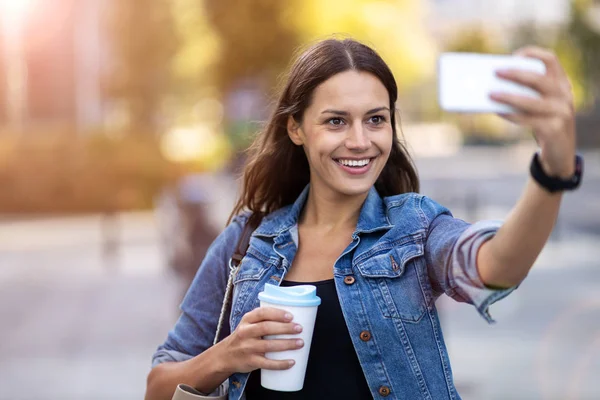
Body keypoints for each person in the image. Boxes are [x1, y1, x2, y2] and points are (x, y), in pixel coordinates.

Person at [145, 38, 582, 400]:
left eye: (376, 120)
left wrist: (552, 173)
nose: (359, 141)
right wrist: (226, 355)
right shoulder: (246, 243)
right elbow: (157, 387)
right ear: (296, 128)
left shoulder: (414, 229)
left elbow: (497, 267)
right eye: (336, 121)